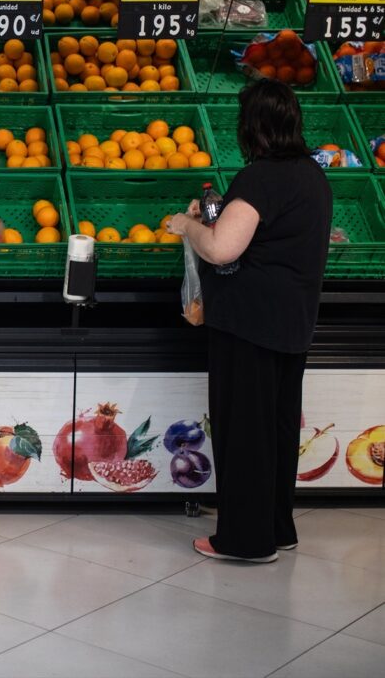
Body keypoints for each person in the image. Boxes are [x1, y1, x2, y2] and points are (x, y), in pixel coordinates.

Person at [167, 79, 332, 563]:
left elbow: (222, 249)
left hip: (249, 325)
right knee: (278, 430)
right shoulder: (312, 176)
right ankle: (278, 527)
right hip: (292, 323)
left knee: (244, 431)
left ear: (252, 126)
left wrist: (188, 226)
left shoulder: (260, 178)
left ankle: (243, 539)